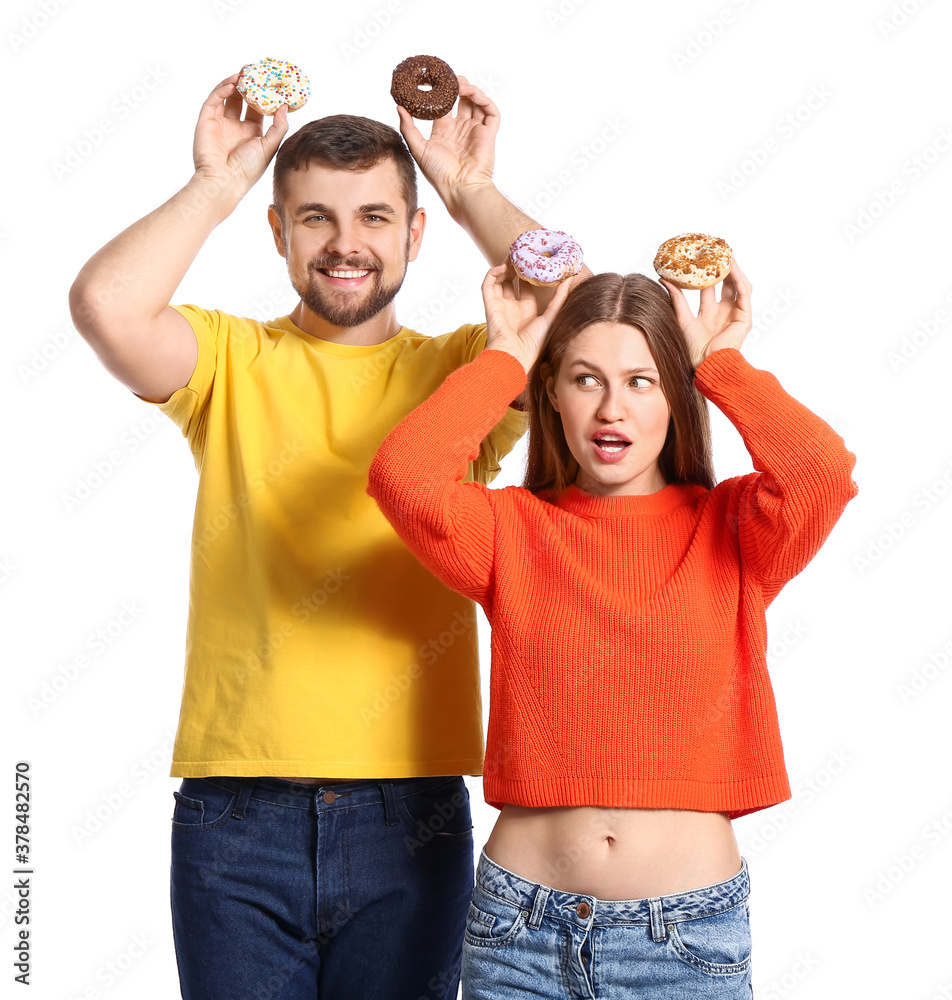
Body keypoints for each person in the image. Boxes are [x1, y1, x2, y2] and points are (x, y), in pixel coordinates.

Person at [68, 71, 578, 1000]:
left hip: (411, 814)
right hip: (236, 817)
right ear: (278, 232)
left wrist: (468, 190)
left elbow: (580, 319)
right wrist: (215, 186)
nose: (347, 245)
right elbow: (107, 306)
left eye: (377, 218)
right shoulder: (230, 359)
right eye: (315, 219)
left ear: (415, 234)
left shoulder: (465, 371)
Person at [368, 261, 858, 997]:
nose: (611, 410)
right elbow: (403, 475)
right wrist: (507, 354)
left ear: (677, 395)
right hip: (518, 931)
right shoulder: (509, 529)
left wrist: (719, 363)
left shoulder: (736, 529)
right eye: (585, 378)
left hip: (685, 940)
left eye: (641, 380)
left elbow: (823, 470)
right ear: (553, 395)